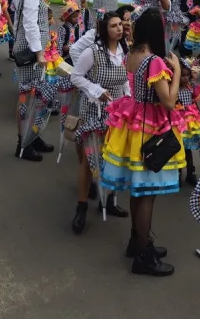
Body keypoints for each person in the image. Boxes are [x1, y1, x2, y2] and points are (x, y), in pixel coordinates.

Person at [100, 7, 184, 276]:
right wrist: (179, 72)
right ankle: (144, 257)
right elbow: (169, 102)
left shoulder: (133, 55)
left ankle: (138, 242)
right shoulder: (155, 61)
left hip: (134, 124)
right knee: (147, 191)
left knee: (139, 189)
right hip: (151, 129)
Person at [69, 12, 131, 234]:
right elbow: (76, 76)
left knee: (112, 156)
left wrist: (129, 100)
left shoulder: (125, 52)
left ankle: (110, 200)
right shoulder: (92, 51)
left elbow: (126, 80)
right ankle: (82, 206)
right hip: (94, 110)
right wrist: (96, 90)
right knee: (89, 159)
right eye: (114, 26)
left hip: (117, 112)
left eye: (120, 25)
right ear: (105, 30)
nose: (119, 29)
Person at [12, 0, 55, 161]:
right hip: (30, 53)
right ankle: (23, 143)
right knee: (26, 97)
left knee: (36, 97)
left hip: (34, 51)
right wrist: (38, 52)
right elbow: (29, 24)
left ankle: (34, 135)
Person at [177, 57, 200, 187]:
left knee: (188, 149)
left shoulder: (190, 86)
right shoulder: (174, 88)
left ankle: (190, 173)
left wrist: (193, 74)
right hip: (178, 121)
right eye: (182, 76)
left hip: (189, 121)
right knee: (177, 148)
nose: (185, 78)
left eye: (187, 75)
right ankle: (177, 173)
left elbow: (195, 87)